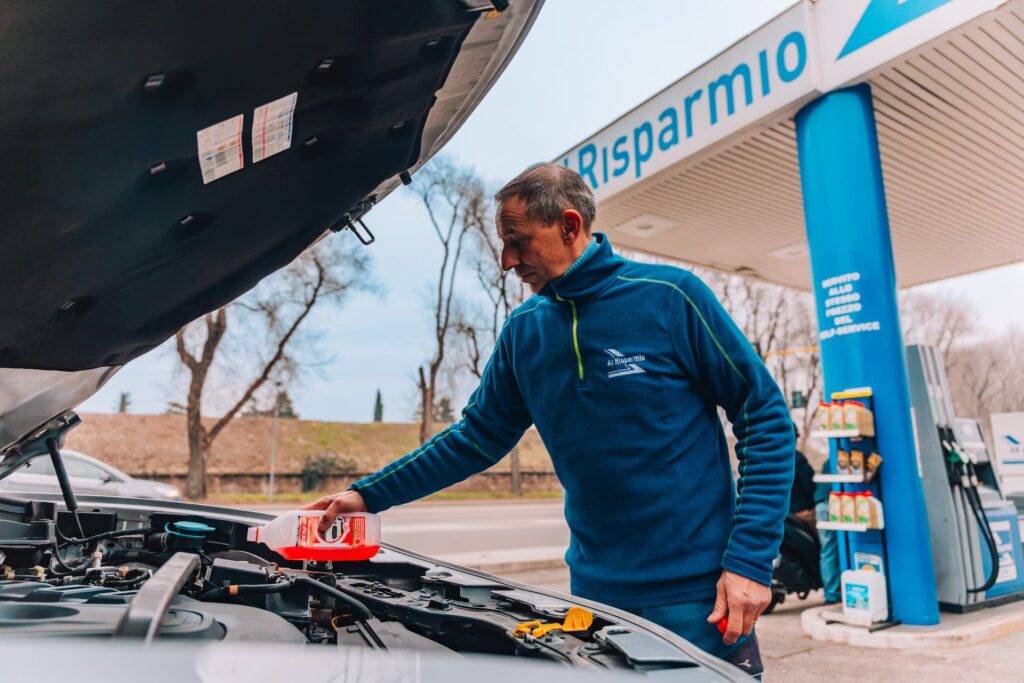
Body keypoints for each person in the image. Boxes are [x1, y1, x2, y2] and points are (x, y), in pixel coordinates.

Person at [306, 164, 794, 675]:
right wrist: (366, 495)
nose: (506, 261)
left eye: (517, 241)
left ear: (568, 225)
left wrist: (749, 562)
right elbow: (475, 438)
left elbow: (765, 419)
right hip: (596, 597)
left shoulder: (671, 297)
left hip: (701, 596)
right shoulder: (524, 331)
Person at [815, 458, 841, 604]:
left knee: (827, 549)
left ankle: (831, 592)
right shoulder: (838, 457)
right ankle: (832, 593)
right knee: (831, 549)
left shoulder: (828, 460)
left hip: (821, 504)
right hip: (831, 503)